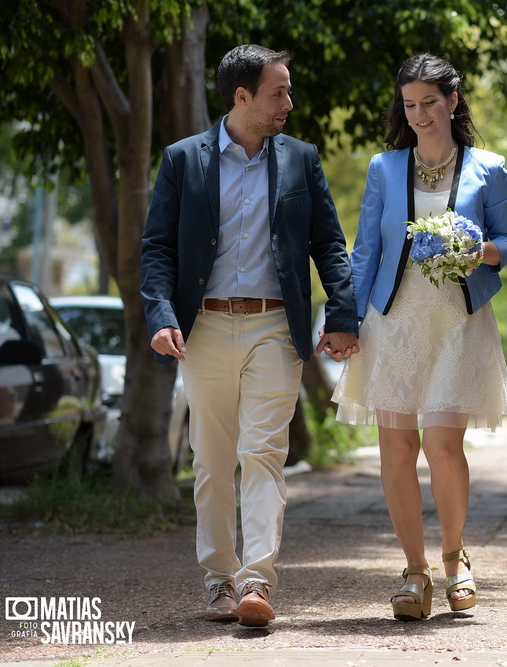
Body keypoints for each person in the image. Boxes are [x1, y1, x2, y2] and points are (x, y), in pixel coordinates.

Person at [140, 44, 359, 628]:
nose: (288, 102)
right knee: (212, 461)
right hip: (204, 326)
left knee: (263, 453)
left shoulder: (301, 160)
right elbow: (158, 247)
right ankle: (218, 581)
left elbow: (328, 244)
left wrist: (342, 313)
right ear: (242, 97)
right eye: (278, 92)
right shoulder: (184, 160)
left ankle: (256, 579)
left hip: (273, 325)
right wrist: (161, 314)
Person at [331, 53, 507, 621]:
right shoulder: (384, 168)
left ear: (453, 102)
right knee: (397, 448)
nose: (419, 115)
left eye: (430, 103)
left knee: (442, 445)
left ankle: (454, 558)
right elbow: (365, 249)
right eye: (410, 105)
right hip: (394, 321)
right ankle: (414, 573)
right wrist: (343, 319)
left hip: (459, 322)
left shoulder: (489, 167)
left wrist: (481, 252)